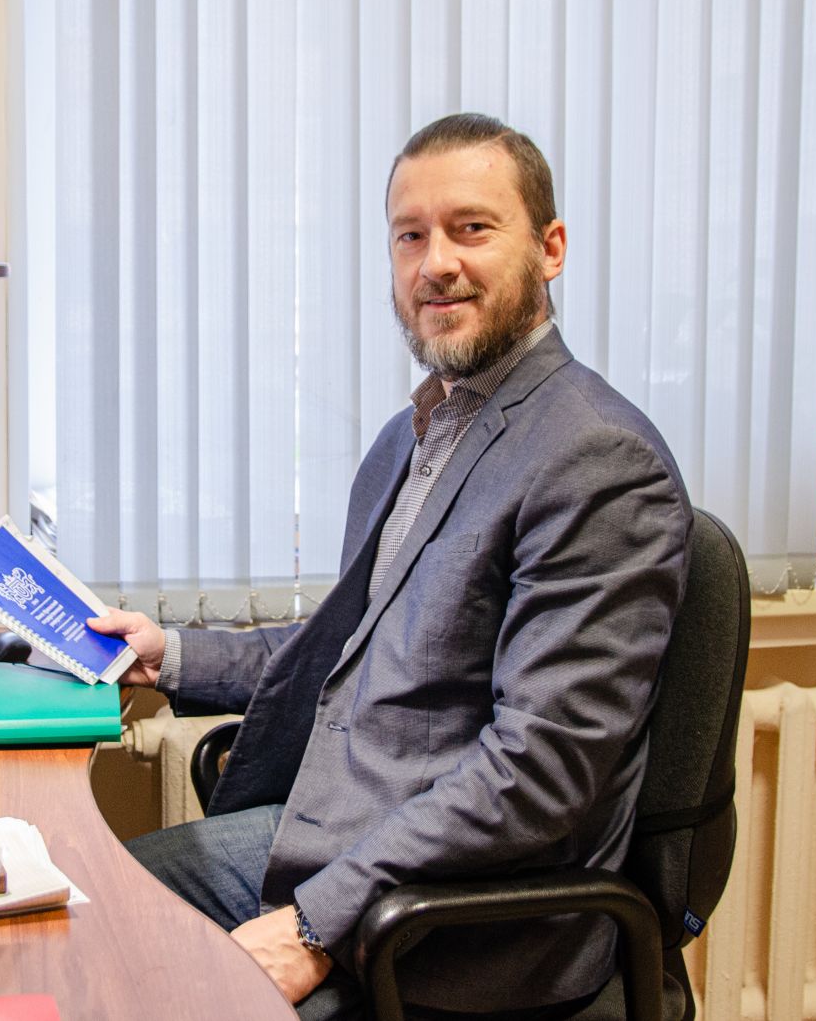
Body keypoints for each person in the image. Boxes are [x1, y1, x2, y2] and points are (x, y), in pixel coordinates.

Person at [89, 113, 693, 1020]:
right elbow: (349, 644)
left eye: (471, 228)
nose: (435, 264)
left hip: (465, 924)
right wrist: (166, 654)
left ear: (551, 248)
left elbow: (540, 771)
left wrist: (311, 927)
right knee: (86, 916)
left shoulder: (595, 458)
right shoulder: (413, 437)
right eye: (411, 236)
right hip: (347, 843)